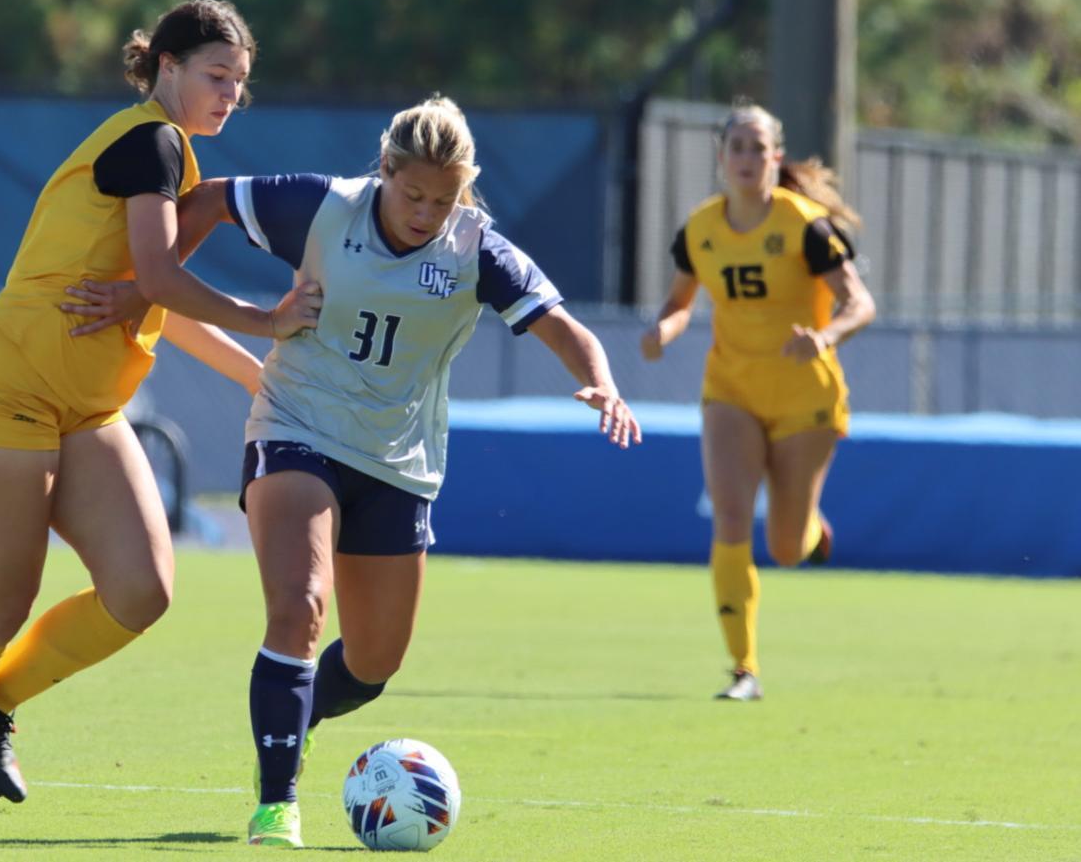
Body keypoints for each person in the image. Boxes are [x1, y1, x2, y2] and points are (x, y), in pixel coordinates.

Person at [0, 0, 321, 831]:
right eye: (215, 75)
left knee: (140, 590)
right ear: (166, 67)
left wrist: (258, 374)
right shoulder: (150, 139)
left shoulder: (174, 158)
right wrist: (269, 318)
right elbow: (156, 279)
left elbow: (155, 301)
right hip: (4, 392)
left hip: (83, 406)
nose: (228, 93)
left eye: (239, 82)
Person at [167, 95, 642, 847]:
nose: (426, 211)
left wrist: (601, 382)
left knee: (374, 660)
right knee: (299, 606)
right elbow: (206, 201)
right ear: (384, 169)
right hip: (297, 426)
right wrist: (159, 276)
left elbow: (562, 325)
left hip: (397, 461)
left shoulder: (475, 248)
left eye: (443, 198)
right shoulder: (321, 206)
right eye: (413, 193)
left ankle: (303, 712)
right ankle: (273, 805)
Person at [640, 101, 876, 701]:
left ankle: (810, 531)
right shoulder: (701, 230)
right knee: (731, 520)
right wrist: (662, 332)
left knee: (785, 548)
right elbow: (679, 303)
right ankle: (744, 668)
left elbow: (860, 303)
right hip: (732, 391)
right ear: (722, 158)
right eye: (736, 147)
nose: (746, 158)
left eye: (757, 147)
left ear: (776, 157)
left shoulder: (806, 226)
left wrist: (822, 338)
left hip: (806, 397)